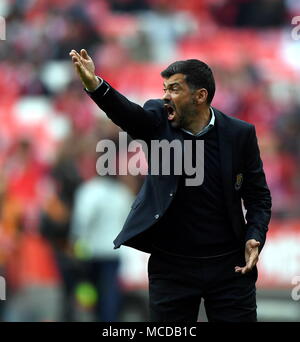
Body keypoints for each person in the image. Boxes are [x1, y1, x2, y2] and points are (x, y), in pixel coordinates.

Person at [69, 49, 272, 322]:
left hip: (229, 265)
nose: (165, 96)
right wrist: (95, 85)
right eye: (164, 88)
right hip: (172, 266)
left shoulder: (239, 134)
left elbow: (258, 196)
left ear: (200, 96)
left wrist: (255, 234)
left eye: (174, 89)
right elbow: (128, 115)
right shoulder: (158, 119)